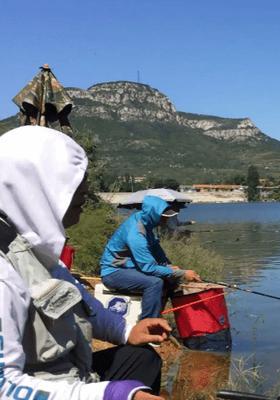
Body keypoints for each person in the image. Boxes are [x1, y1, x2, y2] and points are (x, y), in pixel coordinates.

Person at [0, 125, 169, 400]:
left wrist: (126, 330)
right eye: (74, 180)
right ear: (36, 185)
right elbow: (3, 386)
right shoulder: (4, 272)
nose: (86, 190)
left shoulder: (37, 251)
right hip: (33, 388)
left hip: (67, 375)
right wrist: (109, 394)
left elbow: (82, 305)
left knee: (141, 358)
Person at [100, 196, 201, 320]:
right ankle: (148, 324)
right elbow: (149, 268)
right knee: (154, 283)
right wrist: (182, 273)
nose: (165, 220)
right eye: (163, 217)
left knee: (170, 279)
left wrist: (169, 267)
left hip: (130, 267)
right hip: (113, 272)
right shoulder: (136, 235)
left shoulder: (146, 224)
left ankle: (158, 316)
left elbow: (156, 250)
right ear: (153, 215)